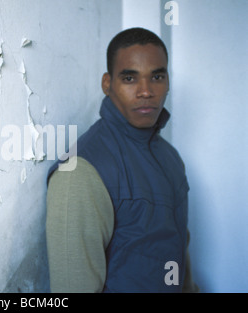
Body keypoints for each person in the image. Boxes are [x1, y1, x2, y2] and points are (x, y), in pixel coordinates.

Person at [45, 27, 199, 293]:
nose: (146, 91)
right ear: (107, 84)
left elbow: (177, 250)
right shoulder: (80, 172)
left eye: (157, 76)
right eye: (130, 78)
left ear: (168, 82)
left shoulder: (171, 157)